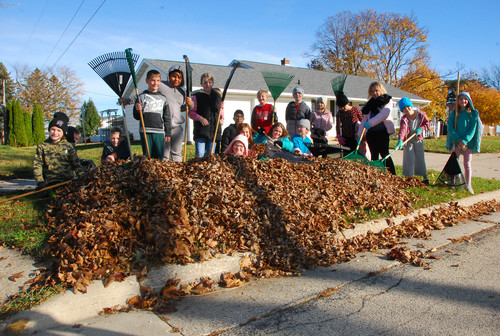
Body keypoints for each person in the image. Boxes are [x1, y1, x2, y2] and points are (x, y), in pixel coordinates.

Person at [33, 112, 83, 190]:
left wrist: (82, 176)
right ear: (49, 130)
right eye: (53, 129)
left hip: (69, 181)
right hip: (52, 182)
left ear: (63, 133)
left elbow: (76, 163)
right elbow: (37, 165)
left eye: (59, 130)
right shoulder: (42, 147)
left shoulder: (68, 146)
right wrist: (40, 182)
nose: (55, 133)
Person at [446, 92, 483, 194]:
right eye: (461, 99)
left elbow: (473, 129)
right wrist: (458, 139)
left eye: (465, 99)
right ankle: (453, 183)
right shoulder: (454, 113)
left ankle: (468, 184)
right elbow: (450, 128)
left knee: (467, 163)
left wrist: (465, 140)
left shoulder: (473, 113)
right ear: (458, 101)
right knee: (455, 163)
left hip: (468, 143)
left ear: (469, 100)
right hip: (456, 141)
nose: (463, 101)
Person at [358, 82, 396, 174]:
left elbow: (384, 115)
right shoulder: (370, 104)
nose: (374, 93)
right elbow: (364, 120)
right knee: (374, 155)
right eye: (372, 91)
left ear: (381, 90)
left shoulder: (386, 100)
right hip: (371, 133)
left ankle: (392, 175)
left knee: (385, 154)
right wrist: (359, 135)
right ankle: (376, 174)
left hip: (382, 132)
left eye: (376, 90)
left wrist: (370, 123)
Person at [133, 69, 171, 160]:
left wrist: (168, 132)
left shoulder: (163, 98)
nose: (155, 83)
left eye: (158, 81)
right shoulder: (141, 97)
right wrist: (137, 109)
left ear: (160, 82)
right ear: (147, 81)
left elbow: (167, 117)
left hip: (159, 131)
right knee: (147, 156)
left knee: (159, 156)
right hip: (146, 130)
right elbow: (137, 117)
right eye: (153, 80)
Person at [188, 73, 223, 158]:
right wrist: (200, 118)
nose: (207, 84)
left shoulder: (217, 96)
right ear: (201, 84)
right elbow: (191, 113)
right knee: (200, 155)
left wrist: (220, 109)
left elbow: (221, 115)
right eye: (205, 82)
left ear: (213, 83)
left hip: (214, 131)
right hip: (201, 131)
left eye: (210, 82)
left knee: (210, 156)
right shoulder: (196, 96)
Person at [162, 65, 192, 162]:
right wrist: (127, 100)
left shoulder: (182, 92)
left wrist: (190, 105)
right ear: (169, 76)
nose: (176, 79)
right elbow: (146, 94)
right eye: (174, 76)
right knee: (164, 155)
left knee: (176, 153)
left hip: (177, 128)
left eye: (179, 77)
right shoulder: (161, 86)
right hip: (164, 127)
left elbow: (182, 108)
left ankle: (177, 174)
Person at [396, 98, 430, 184]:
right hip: (408, 139)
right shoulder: (404, 118)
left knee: (420, 158)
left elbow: (427, 124)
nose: (407, 109)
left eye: (408, 107)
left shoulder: (421, 114)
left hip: (418, 139)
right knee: (408, 158)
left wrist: (420, 129)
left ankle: (424, 177)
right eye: (404, 109)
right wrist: (400, 140)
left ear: (411, 106)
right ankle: (409, 178)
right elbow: (403, 130)